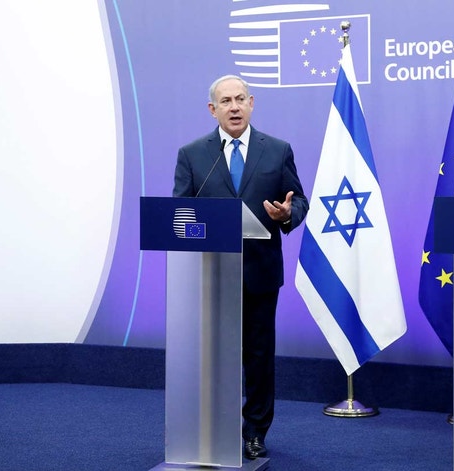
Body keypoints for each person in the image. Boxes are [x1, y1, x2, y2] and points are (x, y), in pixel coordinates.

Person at [173, 75, 309, 460]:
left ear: (251, 103)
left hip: (260, 273)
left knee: (258, 357)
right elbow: (179, 214)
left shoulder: (277, 150)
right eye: (225, 101)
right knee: (215, 357)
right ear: (212, 109)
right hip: (210, 276)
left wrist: (287, 214)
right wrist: (194, 228)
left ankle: (255, 432)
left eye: (240, 99)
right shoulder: (192, 155)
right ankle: (216, 427)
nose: (234, 107)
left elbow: (299, 201)